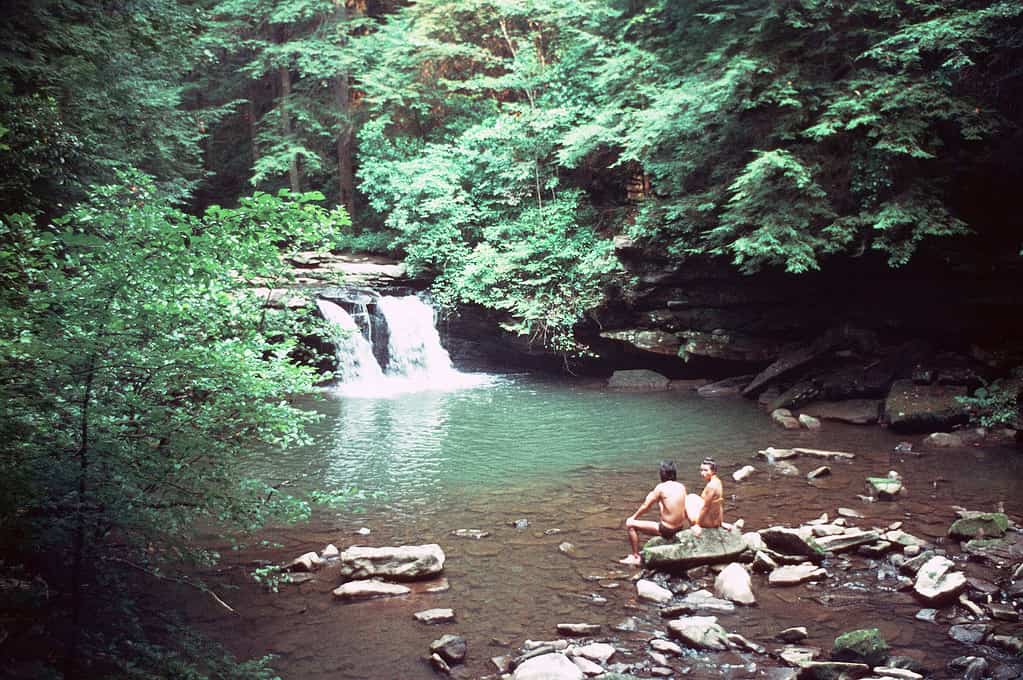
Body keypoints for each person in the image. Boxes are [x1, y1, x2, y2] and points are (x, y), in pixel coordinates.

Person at [619, 460, 688, 566]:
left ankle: (635, 557)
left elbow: (646, 506)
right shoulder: (681, 486)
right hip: (679, 527)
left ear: (663, 474)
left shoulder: (660, 487)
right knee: (661, 502)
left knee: (630, 525)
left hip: (667, 529)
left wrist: (633, 517)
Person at [688, 457, 723, 536]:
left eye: (706, 470)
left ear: (713, 471)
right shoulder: (718, 481)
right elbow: (719, 503)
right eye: (701, 470)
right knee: (691, 496)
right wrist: (720, 522)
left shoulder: (711, 486)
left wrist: (698, 524)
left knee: (686, 500)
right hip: (715, 521)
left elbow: (705, 508)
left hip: (710, 523)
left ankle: (692, 527)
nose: (702, 473)